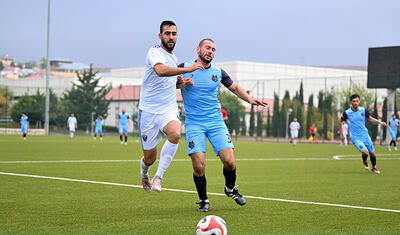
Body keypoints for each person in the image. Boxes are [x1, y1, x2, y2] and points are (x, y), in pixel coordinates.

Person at [178, 38, 268, 212]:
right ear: (198, 49)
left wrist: (249, 99)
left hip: (216, 122)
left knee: (229, 161)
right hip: (194, 123)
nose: (210, 51)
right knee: (199, 166)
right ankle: (204, 201)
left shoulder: (219, 72)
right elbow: (169, 84)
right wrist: (181, 83)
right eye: (207, 48)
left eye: (213, 49)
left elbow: (234, 87)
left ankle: (230, 189)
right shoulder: (184, 67)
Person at [138, 20, 204, 193]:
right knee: (149, 158)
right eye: (167, 33)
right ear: (160, 36)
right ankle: (144, 172)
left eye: (174, 34)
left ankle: (158, 177)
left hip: (168, 110)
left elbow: (169, 83)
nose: (171, 37)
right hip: (148, 112)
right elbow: (160, 71)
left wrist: (182, 84)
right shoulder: (155, 52)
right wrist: (187, 70)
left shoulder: (174, 59)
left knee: (175, 133)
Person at [339, 94, 386, 174]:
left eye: (357, 101)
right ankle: (364, 160)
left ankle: (374, 167)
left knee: (372, 153)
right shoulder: (347, 113)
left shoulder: (363, 110)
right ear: (351, 102)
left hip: (365, 135)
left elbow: (370, 118)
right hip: (355, 137)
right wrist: (341, 134)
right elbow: (340, 121)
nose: (356, 103)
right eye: (354, 101)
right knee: (365, 152)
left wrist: (380, 122)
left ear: (359, 101)